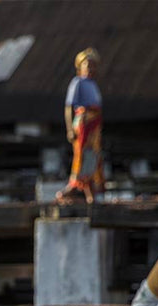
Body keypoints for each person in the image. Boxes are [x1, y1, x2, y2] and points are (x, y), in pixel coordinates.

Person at [56, 47, 104, 205]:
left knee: (93, 157)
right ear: (80, 66)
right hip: (83, 124)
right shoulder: (77, 82)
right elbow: (68, 107)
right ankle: (72, 188)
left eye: (93, 65)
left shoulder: (93, 85)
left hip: (94, 126)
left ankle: (90, 192)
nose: (90, 68)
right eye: (87, 65)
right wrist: (70, 129)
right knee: (82, 156)